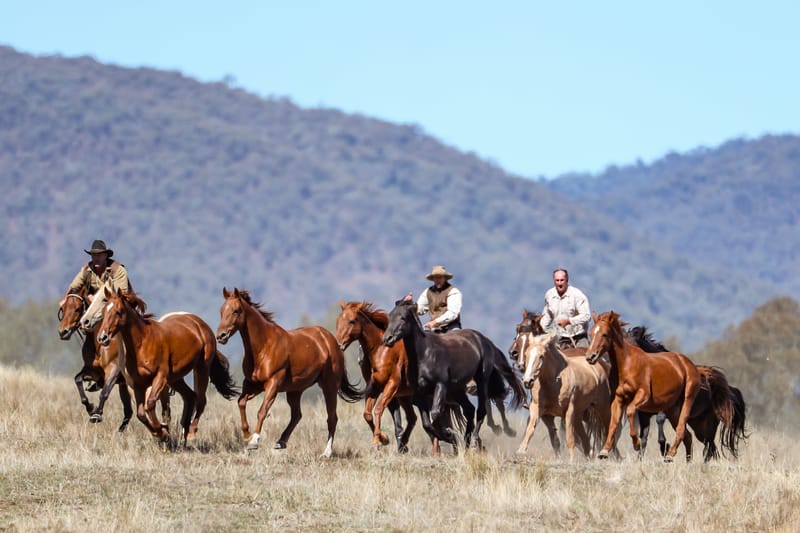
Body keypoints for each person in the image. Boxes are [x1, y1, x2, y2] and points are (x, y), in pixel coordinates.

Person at [60, 240, 131, 389]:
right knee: (87, 329)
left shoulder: (118, 271)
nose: (96, 258)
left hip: (119, 310)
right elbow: (74, 286)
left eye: (99, 255)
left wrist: (96, 299)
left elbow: (120, 297)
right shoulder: (86, 270)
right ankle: (95, 372)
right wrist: (65, 299)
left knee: (129, 333)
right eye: (93, 255)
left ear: (106, 255)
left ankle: (131, 365)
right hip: (97, 312)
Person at [540, 268, 591, 349]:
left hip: (579, 338)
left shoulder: (577, 295)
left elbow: (586, 316)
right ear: (554, 281)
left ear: (567, 280)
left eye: (562, 280)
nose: (559, 283)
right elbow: (547, 316)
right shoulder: (549, 295)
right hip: (560, 338)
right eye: (557, 280)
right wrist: (541, 328)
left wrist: (569, 321)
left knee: (585, 359)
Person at [406, 265, 462, 332]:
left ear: (445, 278)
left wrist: (435, 322)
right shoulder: (428, 292)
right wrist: (411, 304)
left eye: (440, 277)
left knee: (455, 340)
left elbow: (453, 313)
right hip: (434, 328)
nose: (437, 280)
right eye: (435, 278)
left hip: (451, 327)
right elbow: (419, 310)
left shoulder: (453, 292)